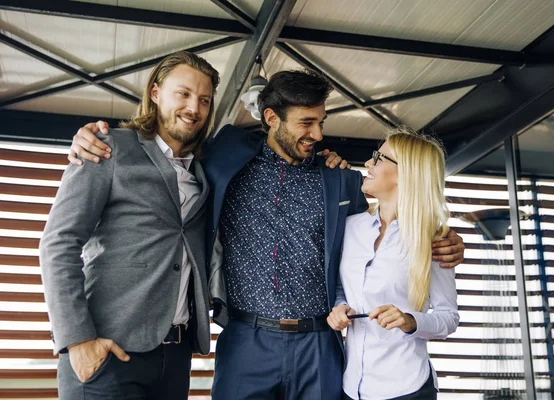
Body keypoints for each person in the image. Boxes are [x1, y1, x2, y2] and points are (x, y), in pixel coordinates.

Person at [68, 69, 466, 400]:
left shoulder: (340, 181)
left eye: (320, 121)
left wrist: (446, 242)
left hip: (319, 343)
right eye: (305, 123)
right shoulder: (224, 155)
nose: (317, 134)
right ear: (272, 118)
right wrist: (91, 137)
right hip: (246, 340)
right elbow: (169, 140)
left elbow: (391, 232)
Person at [39, 51, 222, 399]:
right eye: (182, 94)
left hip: (175, 356)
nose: (194, 108)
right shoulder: (108, 148)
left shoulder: (204, 170)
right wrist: (77, 341)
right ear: (155, 93)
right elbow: (58, 242)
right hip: (107, 353)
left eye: (204, 100)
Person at [327, 128, 459, 400]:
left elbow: (448, 317)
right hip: (351, 387)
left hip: (407, 388)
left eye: (379, 158)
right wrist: (339, 307)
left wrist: (409, 320)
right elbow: (342, 287)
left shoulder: (433, 239)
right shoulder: (351, 227)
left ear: (405, 173)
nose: (368, 163)